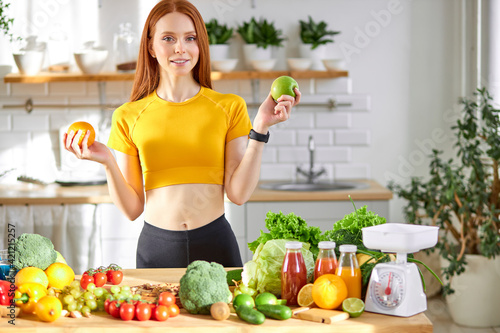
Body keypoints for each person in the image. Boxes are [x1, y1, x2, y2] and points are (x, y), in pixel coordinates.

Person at [63, 0, 300, 268]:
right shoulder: (128, 115)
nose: (180, 48)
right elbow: (132, 209)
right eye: (168, 38)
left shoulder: (228, 107)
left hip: (216, 243)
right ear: (151, 47)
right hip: (156, 249)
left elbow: (238, 194)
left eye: (190, 38)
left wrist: (260, 130)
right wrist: (108, 162)